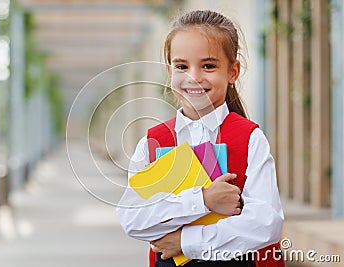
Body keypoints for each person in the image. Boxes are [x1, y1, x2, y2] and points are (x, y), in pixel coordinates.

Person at [117, 10, 285, 267]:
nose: (193, 77)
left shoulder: (250, 139)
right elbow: (134, 219)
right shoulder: (152, 143)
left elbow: (265, 223)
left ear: (233, 72)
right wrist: (203, 200)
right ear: (169, 70)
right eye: (182, 66)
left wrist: (186, 242)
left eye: (208, 66)